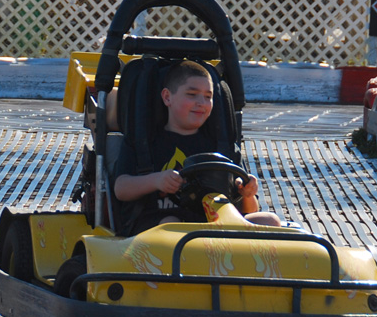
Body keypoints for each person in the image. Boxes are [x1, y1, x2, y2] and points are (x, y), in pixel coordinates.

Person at [112, 60, 283, 236]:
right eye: (192, 94)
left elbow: (249, 210)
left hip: (214, 224)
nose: (201, 102)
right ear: (167, 97)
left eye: (208, 97)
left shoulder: (221, 145)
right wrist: (156, 180)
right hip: (158, 226)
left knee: (270, 221)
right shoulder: (145, 143)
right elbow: (120, 189)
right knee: (172, 224)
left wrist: (247, 193)